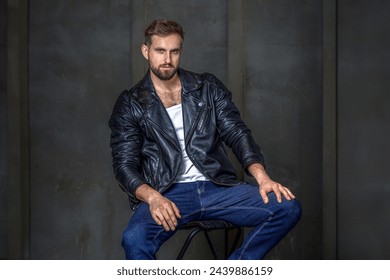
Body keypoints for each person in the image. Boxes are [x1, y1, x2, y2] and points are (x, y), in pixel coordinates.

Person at [109, 19, 301, 260]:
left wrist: (262, 178)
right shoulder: (130, 103)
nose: (167, 59)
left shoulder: (207, 87)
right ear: (145, 51)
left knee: (287, 207)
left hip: (216, 187)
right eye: (160, 51)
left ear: (181, 51)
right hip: (167, 193)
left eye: (174, 51)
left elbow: (236, 132)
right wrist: (153, 197)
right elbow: (124, 165)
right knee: (134, 239)